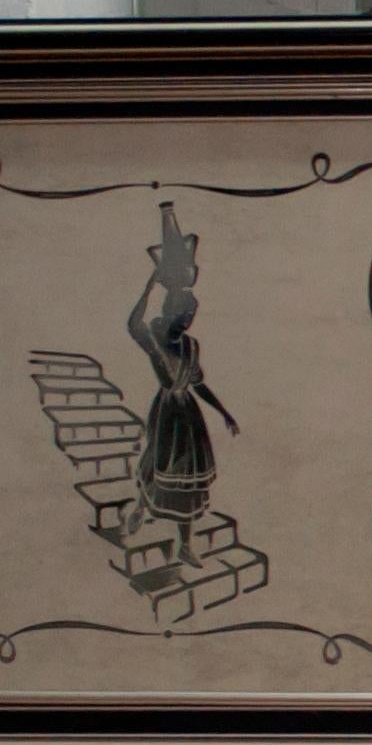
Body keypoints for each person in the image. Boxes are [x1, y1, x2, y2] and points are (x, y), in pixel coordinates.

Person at [124, 202, 238, 576]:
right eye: (185, 313)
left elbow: (200, 384)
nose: (189, 319)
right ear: (173, 310)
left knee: (189, 483)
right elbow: (132, 322)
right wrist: (149, 282)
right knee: (159, 467)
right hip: (167, 414)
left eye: (192, 315)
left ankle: (186, 545)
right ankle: (142, 506)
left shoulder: (191, 347)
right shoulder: (154, 337)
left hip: (189, 417)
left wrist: (224, 413)